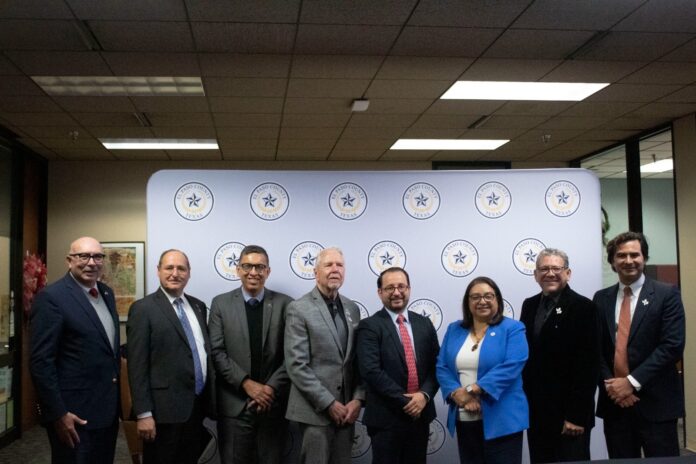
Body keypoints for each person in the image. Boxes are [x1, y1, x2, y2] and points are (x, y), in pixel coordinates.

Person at [594, 231, 685, 458]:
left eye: (634, 254)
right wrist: (613, 387)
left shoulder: (666, 294)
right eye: (621, 255)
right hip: (615, 406)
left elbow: (672, 346)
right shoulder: (601, 298)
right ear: (612, 261)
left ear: (644, 258)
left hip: (656, 404)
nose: (628, 261)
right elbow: (596, 349)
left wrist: (631, 383)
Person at [29, 236, 120, 464]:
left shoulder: (106, 293)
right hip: (73, 416)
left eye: (97, 257)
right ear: (69, 260)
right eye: (83, 256)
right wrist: (58, 413)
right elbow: (41, 362)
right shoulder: (52, 298)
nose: (91, 262)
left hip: (106, 413)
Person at [127, 249, 214, 464]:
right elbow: (137, 366)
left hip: (196, 408)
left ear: (189, 273)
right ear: (158, 271)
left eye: (181, 268)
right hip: (162, 413)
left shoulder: (198, 306)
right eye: (169, 268)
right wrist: (143, 414)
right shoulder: (143, 309)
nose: (175, 273)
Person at [208, 245, 293, 463]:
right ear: (238, 269)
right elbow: (217, 352)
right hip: (235, 406)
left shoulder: (286, 304)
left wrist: (269, 389)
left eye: (259, 267)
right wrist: (247, 384)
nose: (253, 272)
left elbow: (292, 355)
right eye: (247, 266)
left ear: (268, 271)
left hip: (272, 406)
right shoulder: (220, 304)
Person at [284, 247, 365, 464]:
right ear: (315, 272)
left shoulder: (352, 308)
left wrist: (358, 399)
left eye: (340, 265)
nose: (335, 269)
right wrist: (329, 403)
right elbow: (296, 365)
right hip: (315, 412)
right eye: (328, 265)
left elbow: (357, 361)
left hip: (347, 412)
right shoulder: (298, 308)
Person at [436, 276, 528, 464]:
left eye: (488, 296)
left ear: (497, 300)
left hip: (503, 420)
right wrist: (456, 393)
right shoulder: (454, 329)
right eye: (475, 297)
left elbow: (512, 365)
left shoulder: (513, 328)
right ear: (467, 302)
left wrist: (471, 390)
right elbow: (442, 366)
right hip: (465, 417)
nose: (482, 301)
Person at [520, 248, 599, 463]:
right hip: (537, 413)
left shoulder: (585, 307)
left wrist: (576, 416)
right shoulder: (529, 305)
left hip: (570, 417)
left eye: (556, 268)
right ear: (536, 275)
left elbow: (589, 366)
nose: (550, 273)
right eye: (544, 269)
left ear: (568, 273)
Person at [356, 267, 440, 464]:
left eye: (401, 286)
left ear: (409, 289)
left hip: (420, 416)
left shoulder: (424, 324)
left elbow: (437, 366)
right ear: (380, 292)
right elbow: (371, 371)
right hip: (386, 419)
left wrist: (424, 396)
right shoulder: (369, 326)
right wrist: (408, 402)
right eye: (390, 288)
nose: (396, 292)